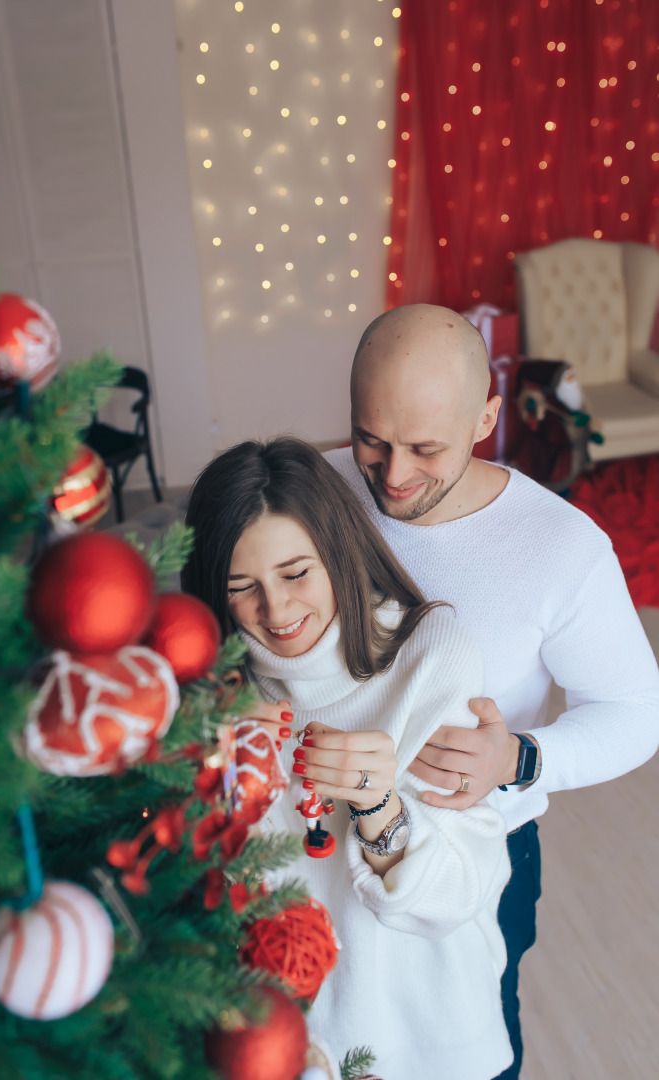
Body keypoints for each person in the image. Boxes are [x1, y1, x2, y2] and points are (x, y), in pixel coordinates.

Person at [325, 303, 659, 1079]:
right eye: (370, 438)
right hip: (330, 841)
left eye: (424, 448)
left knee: (471, 1055)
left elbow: (637, 713)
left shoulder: (562, 546)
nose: (393, 474)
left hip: (475, 861)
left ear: (485, 417)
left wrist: (517, 755)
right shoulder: (321, 488)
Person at [182, 436, 514, 1080]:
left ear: (338, 551)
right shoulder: (218, 699)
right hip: (300, 1052)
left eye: (295, 573)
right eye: (240, 586)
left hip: (435, 1041)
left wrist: (378, 805)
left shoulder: (431, 657)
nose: (276, 611)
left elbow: (453, 898)